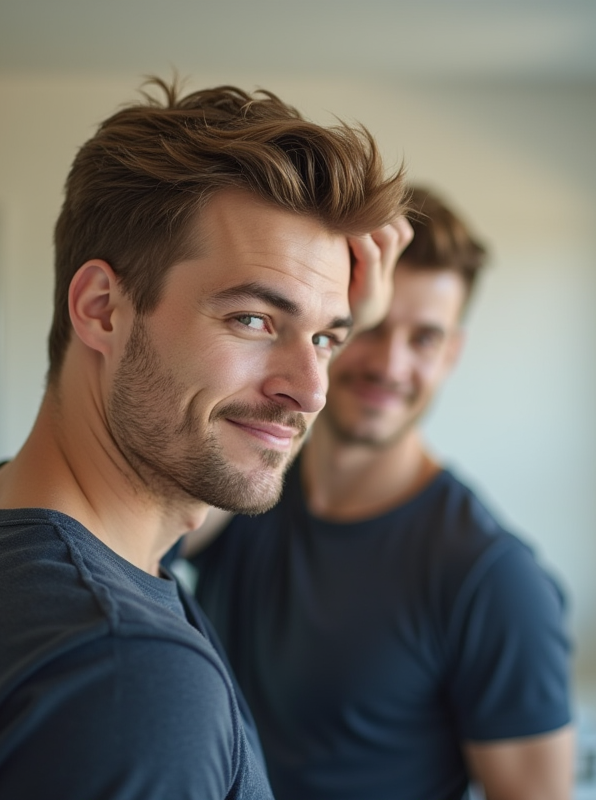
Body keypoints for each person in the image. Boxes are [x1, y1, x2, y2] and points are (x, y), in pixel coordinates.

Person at [0, 79, 411, 800]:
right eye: (253, 319)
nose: (313, 389)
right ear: (102, 310)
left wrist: (340, 329)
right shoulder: (127, 679)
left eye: (323, 339)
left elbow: (233, 444)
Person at [190, 186, 574, 800]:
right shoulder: (250, 489)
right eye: (368, 327)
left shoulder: (492, 578)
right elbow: (150, 530)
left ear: (451, 354)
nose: (390, 365)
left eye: (423, 338)